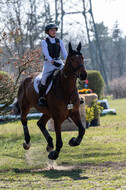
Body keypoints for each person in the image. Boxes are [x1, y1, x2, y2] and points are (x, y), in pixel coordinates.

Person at [38, 23, 67, 107]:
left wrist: (67, 61)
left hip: (59, 61)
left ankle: (76, 95)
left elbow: (65, 54)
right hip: (48, 63)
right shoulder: (44, 42)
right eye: (52, 30)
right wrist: (53, 62)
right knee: (43, 79)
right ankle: (41, 98)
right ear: (48, 32)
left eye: (55, 30)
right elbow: (46, 54)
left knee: (70, 75)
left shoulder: (60, 41)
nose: (54, 31)